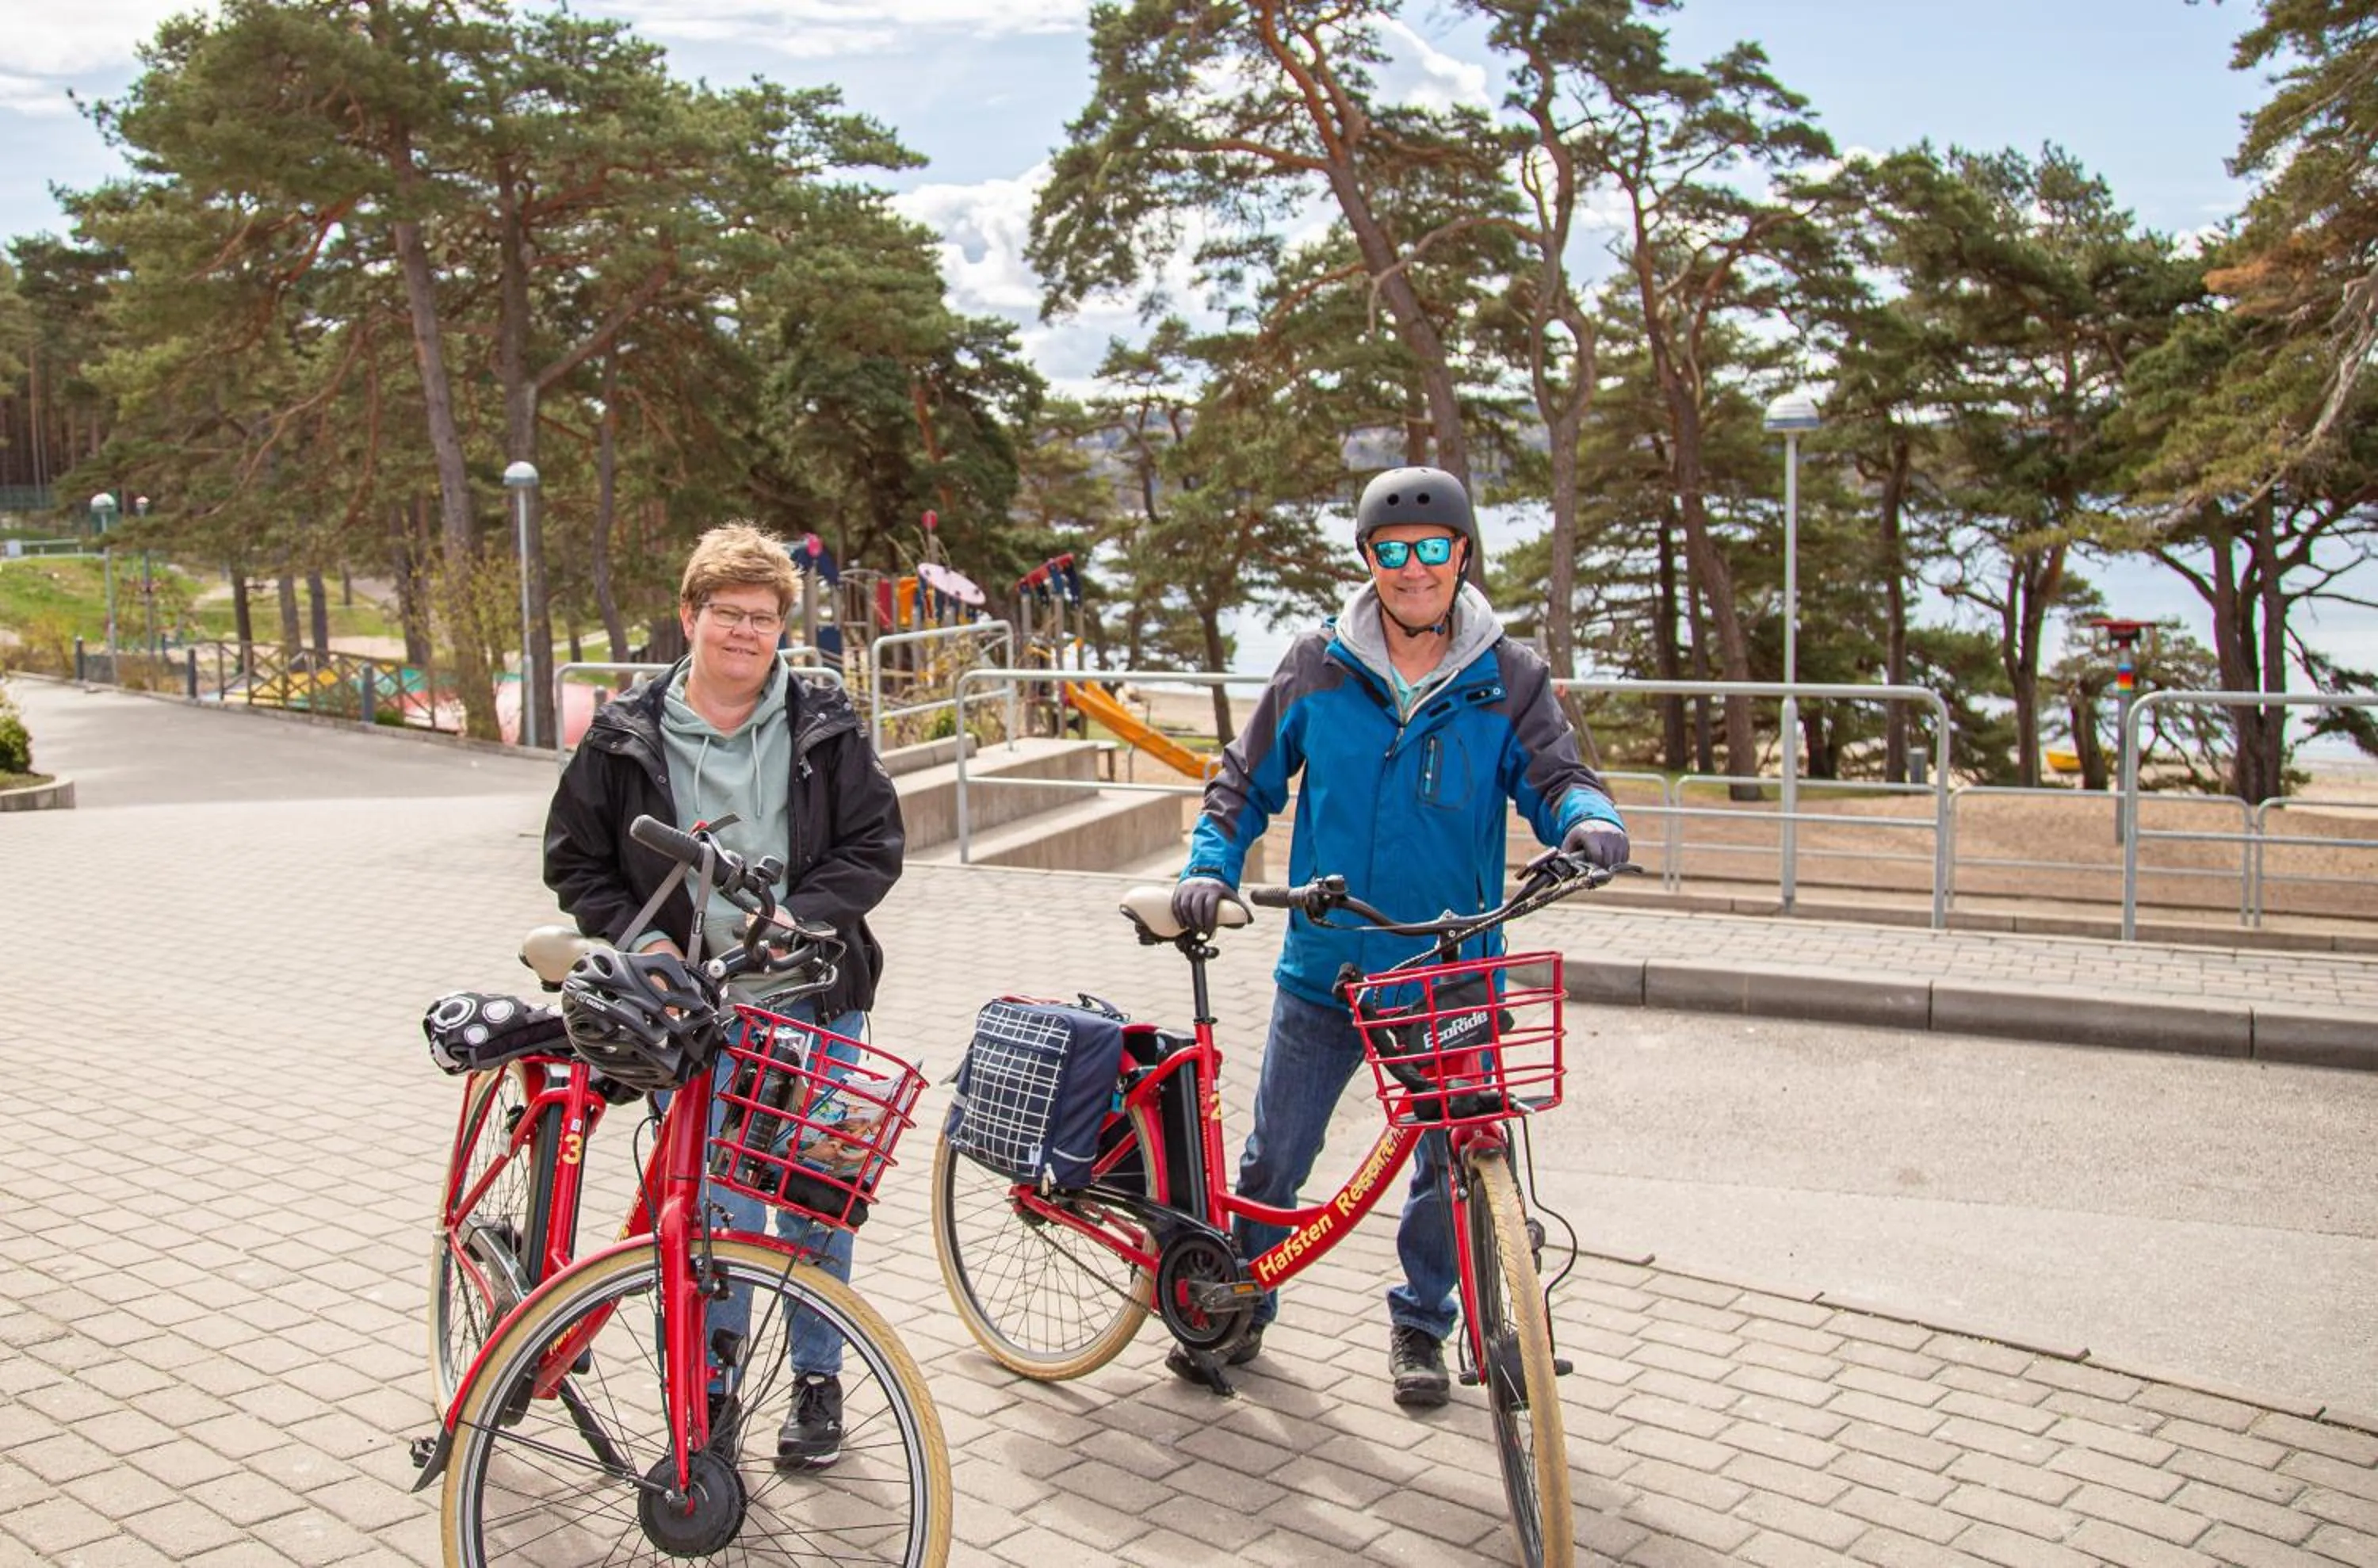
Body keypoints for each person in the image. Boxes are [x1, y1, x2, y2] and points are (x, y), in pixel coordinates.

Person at [1170, 465, 1628, 1408]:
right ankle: (1242, 1306)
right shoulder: (1317, 666)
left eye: (1430, 548)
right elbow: (1243, 781)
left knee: (1450, 1166)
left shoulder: (1510, 677)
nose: (1413, 568)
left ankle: (1422, 1323)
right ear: (1369, 560)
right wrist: (1209, 866)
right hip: (1329, 966)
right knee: (1275, 1158)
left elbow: (1557, 777)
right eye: (1392, 550)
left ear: (1461, 554)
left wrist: (1589, 819)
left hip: (1450, 970)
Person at [544, 521, 904, 1467]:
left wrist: (803, 916)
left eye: (764, 616)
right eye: (727, 612)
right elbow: (575, 860)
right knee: (717, 1214)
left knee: (817, 1198)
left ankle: (817, 1380)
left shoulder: (822, 720)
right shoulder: (627, 732)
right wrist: (648, 941)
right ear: (689, 615)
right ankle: (713, 1391)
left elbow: (875, 846)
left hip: (816, 995)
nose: (746, 632)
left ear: (783, 626)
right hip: (696, 1014)